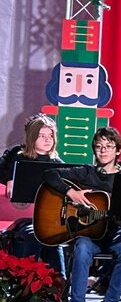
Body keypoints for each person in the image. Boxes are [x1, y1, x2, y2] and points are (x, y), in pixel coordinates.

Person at [41, 127, 121, 302]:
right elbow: (49, 174)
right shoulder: (86, 172)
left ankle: (111, 300)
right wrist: (71, 192)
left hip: (114, 235)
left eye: (108, 146)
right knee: (82, 249)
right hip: (87, 235)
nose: (103, 150)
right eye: (99, 146)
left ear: (117, 150)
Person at [0, 113, 66, 276]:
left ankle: (58, 281)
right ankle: (23, 279)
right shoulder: (16, 155)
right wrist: (9, 178)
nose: (47, 140)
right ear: (32, 137)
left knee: (52, 237)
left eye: (50, 135)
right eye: (42, 136)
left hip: (46, 221)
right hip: (19, 219)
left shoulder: (57, 164)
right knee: (32, 234)